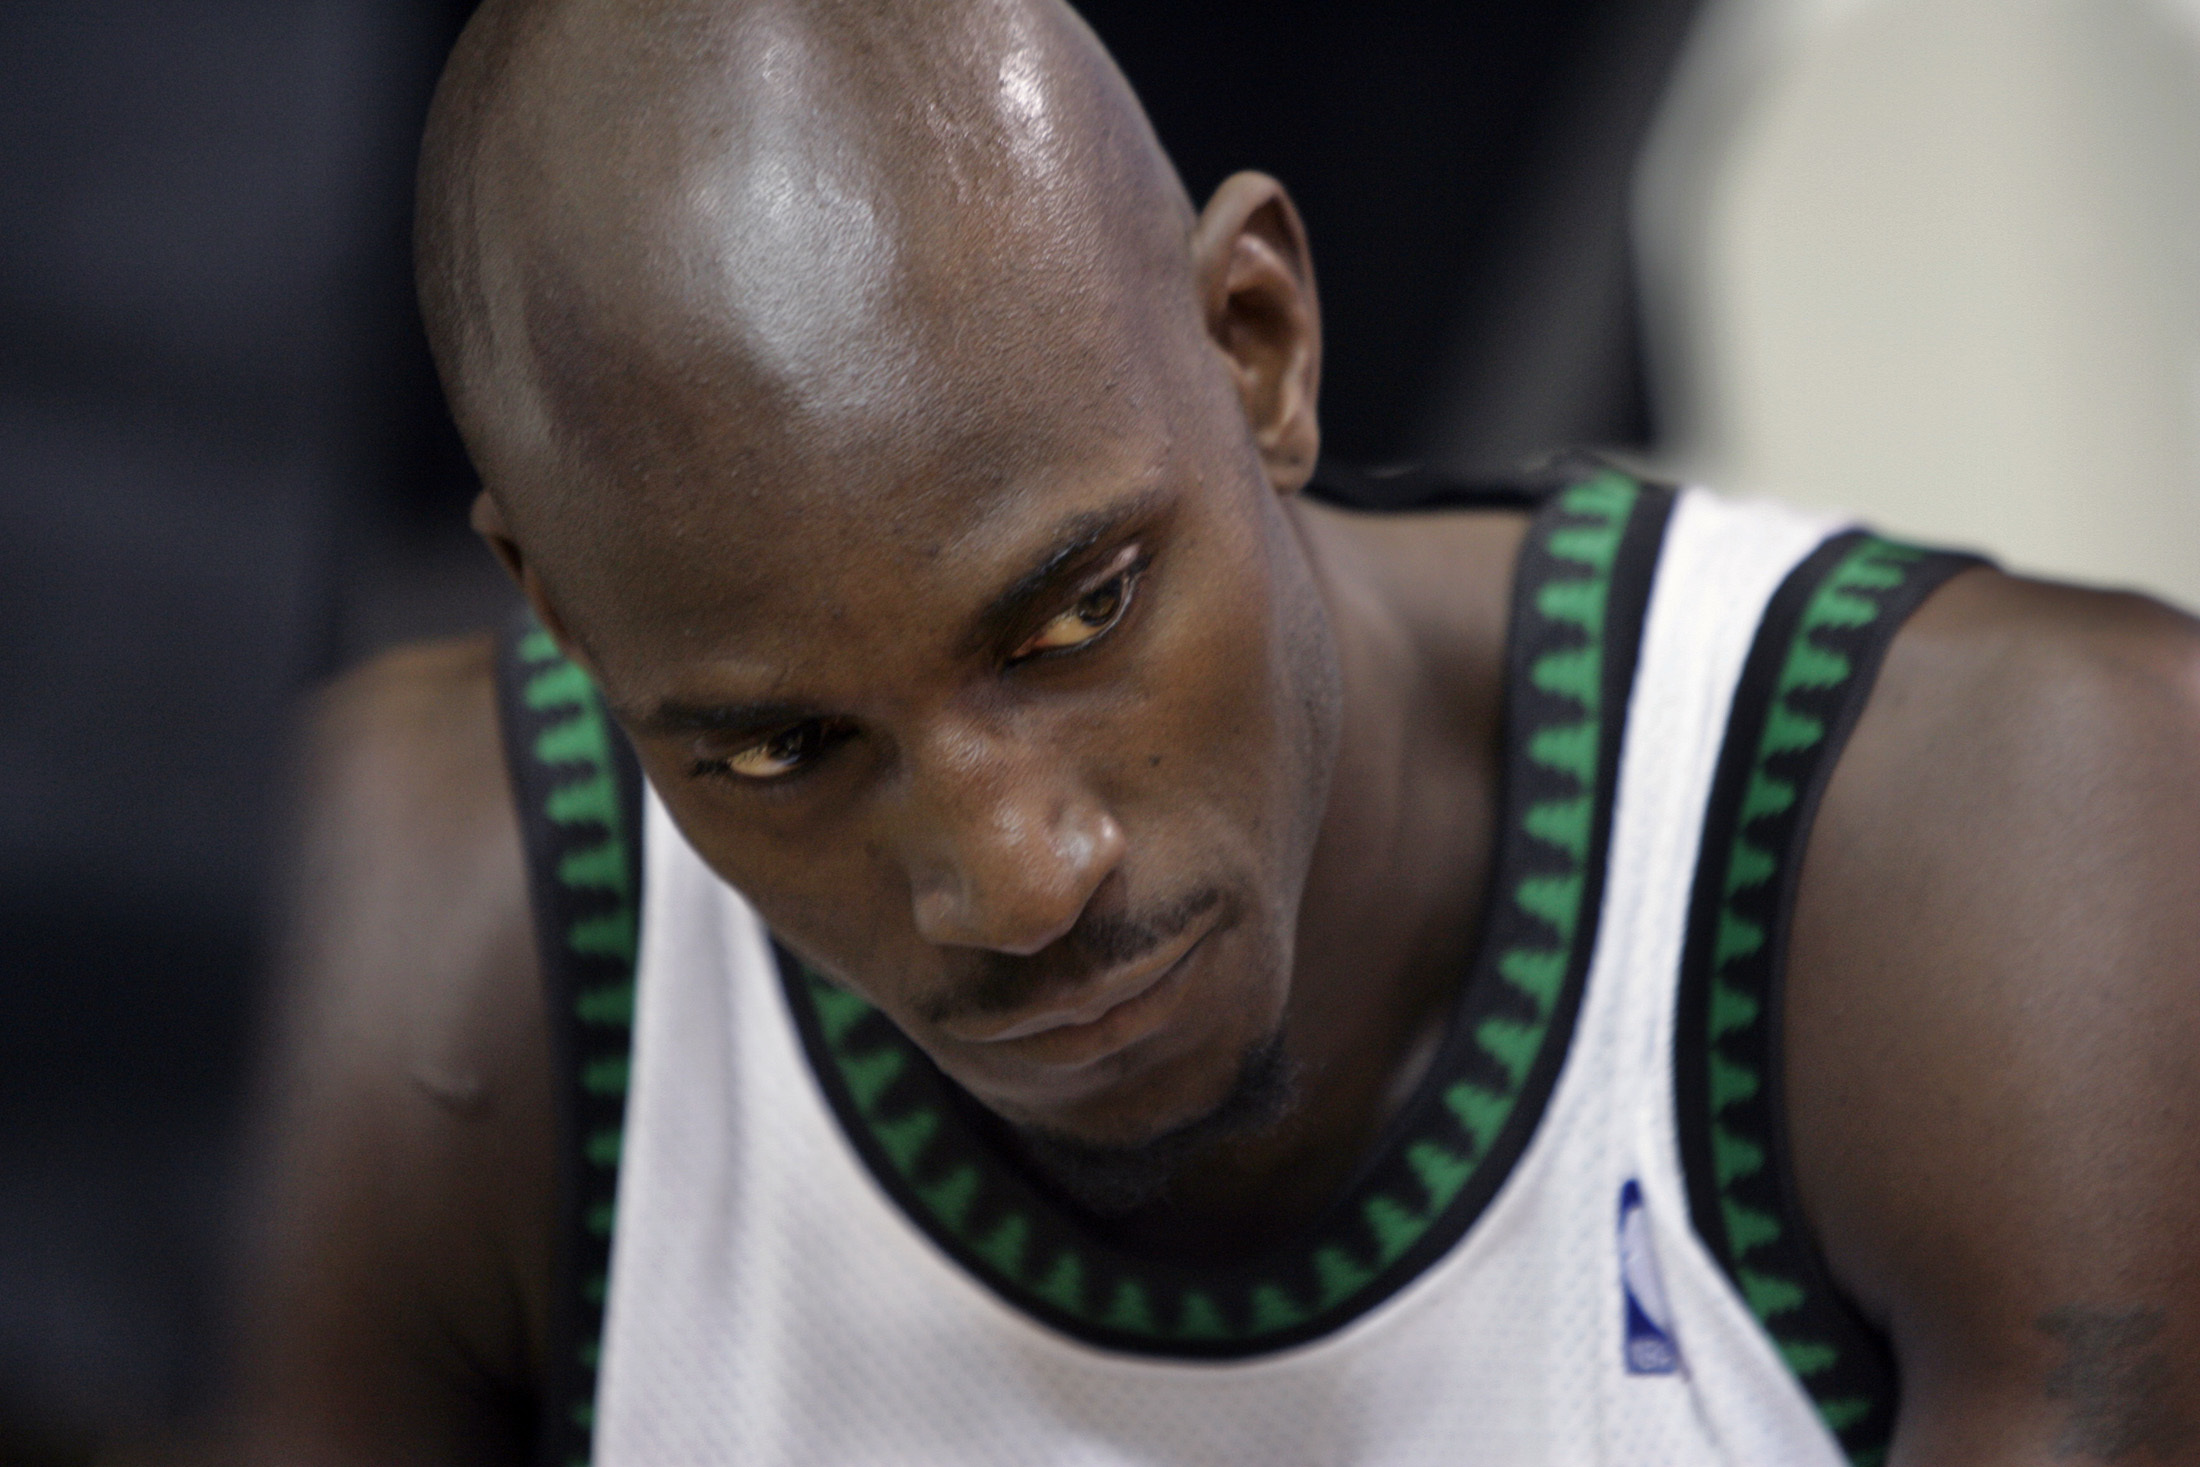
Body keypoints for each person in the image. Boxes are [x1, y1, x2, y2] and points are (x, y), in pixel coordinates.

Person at [223, 1, 2200, 1463]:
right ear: (558, 611)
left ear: (1255, 341)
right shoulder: (404, 960)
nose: (1011, 878)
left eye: (1075, 612)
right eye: (778, 751)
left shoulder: (2010, 854)